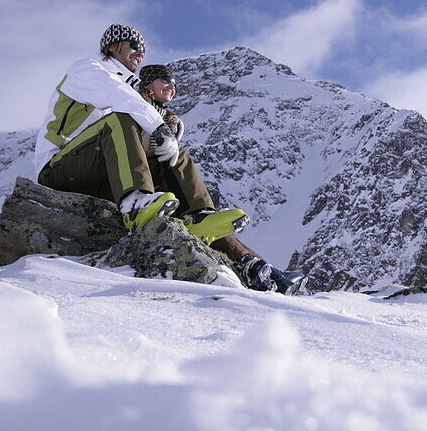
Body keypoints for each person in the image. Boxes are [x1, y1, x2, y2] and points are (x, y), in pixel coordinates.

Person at [32, 23, 301, 294]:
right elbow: (119, 98)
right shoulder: (88, 70)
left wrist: (168, 132)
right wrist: (157, 126)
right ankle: (135, 202)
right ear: (113, 47)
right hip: (59, 167)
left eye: (144, 50)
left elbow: (141, 114)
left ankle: (238, 253)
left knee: (171, 156)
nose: (140, 53)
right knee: (121, 121)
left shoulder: (129, 89)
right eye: (135, 46)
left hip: (101, 172)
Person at [135, 62, 304, 295]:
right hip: (140, 188)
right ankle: (202, 216)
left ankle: (262, 269)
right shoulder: (133, 111)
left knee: (214, 232)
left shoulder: (166, 120)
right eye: (165, 80)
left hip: (163, 193)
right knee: (179, 157)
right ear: (147, 84)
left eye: (174, 83)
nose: (171, 87)